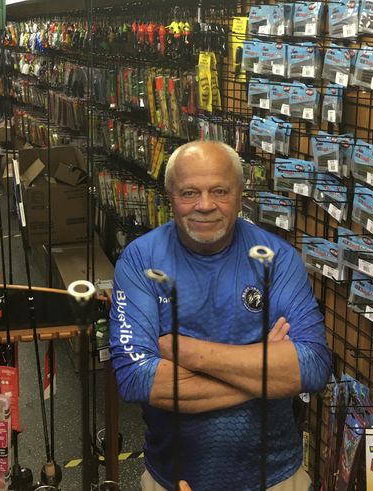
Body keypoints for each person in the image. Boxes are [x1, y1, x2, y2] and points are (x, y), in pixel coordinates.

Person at [109, 141, 331, 490]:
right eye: (189, 192)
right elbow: (136, 379)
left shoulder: (277, 259)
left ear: (240, 194)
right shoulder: (140, 261)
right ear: (170, 196)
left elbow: (314, 366)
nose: (205, 205)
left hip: (275, 478)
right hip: (172, 479)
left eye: (219, 191)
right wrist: (265, 375)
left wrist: (184, 351)